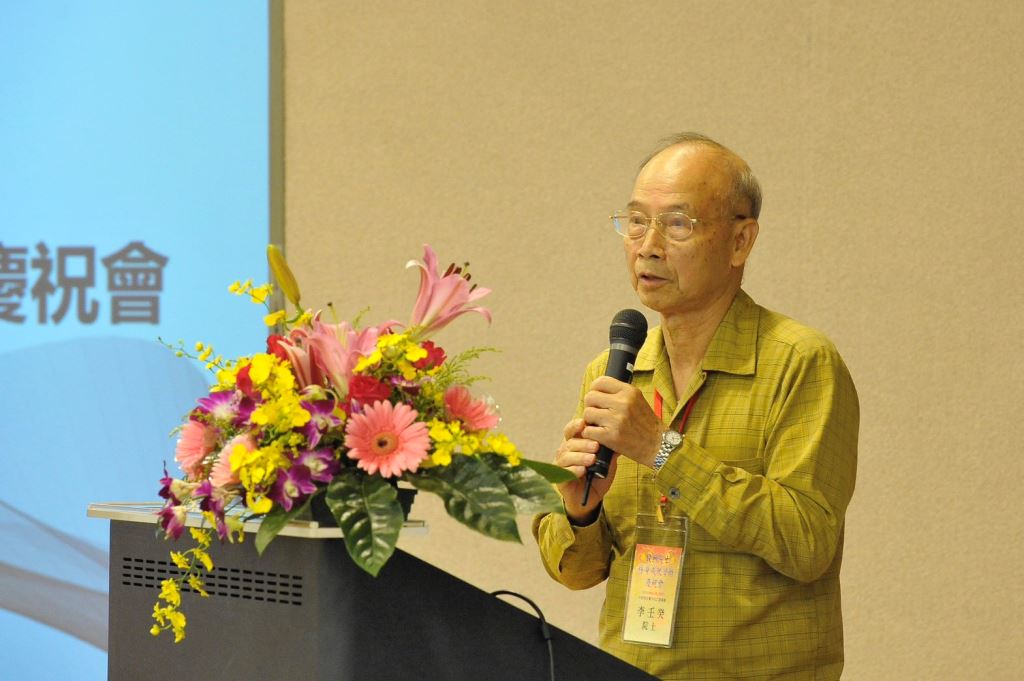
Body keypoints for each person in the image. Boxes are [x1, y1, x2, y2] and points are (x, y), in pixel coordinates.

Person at [533, 133, 858, 680]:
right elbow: (577, 572)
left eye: (678, 224)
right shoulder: (615, 372)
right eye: (636, 221)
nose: (648, 246)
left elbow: (807, 542)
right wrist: (579, 511)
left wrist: (661, 450)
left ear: (740, 241)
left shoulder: (800, 362)